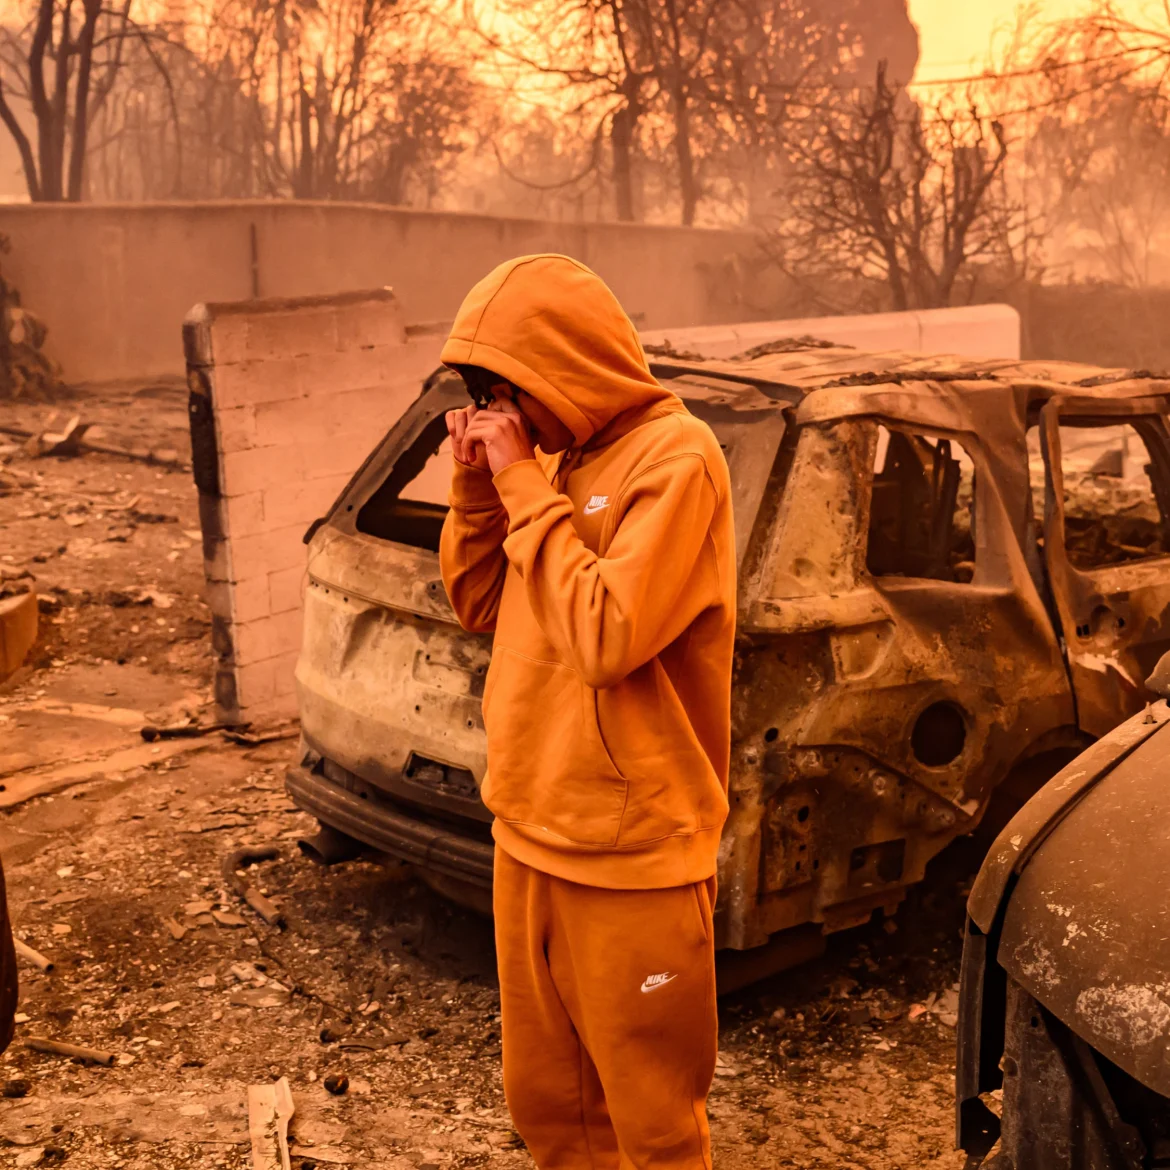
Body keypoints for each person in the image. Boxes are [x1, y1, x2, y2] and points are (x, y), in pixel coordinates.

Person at [438, 254, 736, 1170]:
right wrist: (478, 489)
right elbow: (479, 603)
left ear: (568, 366)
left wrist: (526, 485)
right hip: (529, 830)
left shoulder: (680, 461)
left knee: (650, 1124)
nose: (500, 413)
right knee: (550, 1110)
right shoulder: (559, 460)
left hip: (634, 857)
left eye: (507, 390)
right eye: (484, 394)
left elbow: (606, 636)